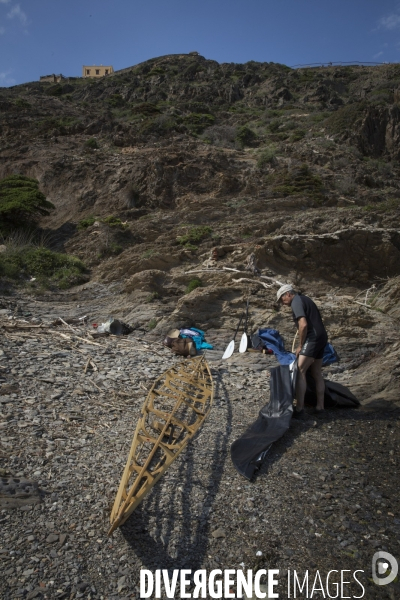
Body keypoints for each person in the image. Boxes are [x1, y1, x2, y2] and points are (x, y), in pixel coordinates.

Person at [276, 284, 328, 418]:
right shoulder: (306, 299)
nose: (283, 303)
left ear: (288, 294)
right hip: (322, 337)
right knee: (316, 372)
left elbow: (303, 324)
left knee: (300, 370)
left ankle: (299, 409)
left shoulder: (296, 301)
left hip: (313, 338)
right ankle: (320, 407)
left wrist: (300, 345)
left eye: (282, 299)